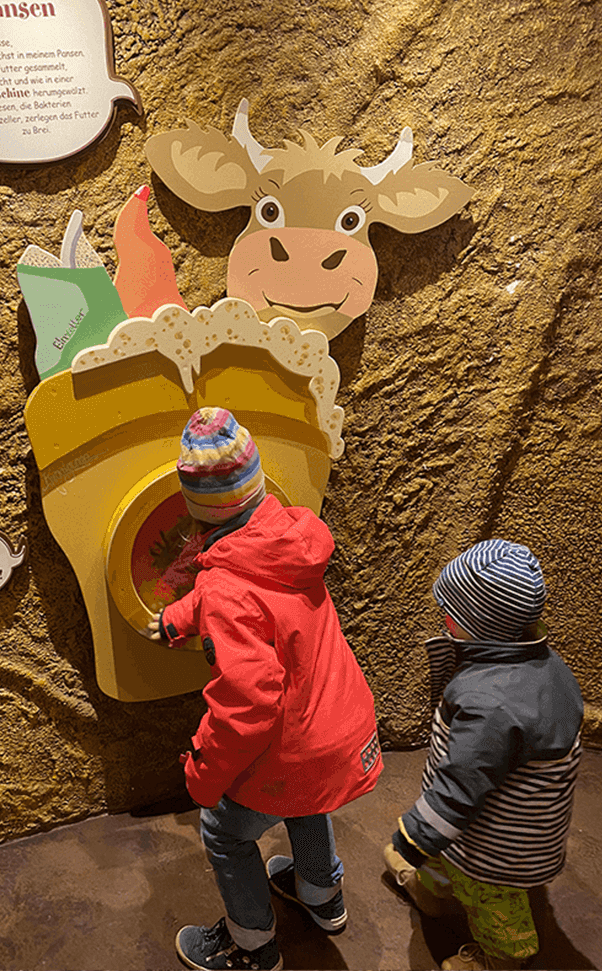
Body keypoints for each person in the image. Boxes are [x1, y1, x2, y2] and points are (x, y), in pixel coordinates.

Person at [141, 407, 382, 971]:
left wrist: (202, 770)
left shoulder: (227, 585)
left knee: (224, 830)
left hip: (291, 746)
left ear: (196, 510)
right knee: (307, 798)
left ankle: (250, 944)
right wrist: (181, 618)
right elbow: (240, 587)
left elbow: (248, 702)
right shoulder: (288, 539)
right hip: (341, 731)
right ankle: (322, 895)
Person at [382, 540, 585, 971]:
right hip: (495, 824)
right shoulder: (543, 663)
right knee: (445, 858)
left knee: (490, 899)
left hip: (496, 847)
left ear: (481, 622)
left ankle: (503, 957)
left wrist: (415, 835)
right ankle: (433, 892)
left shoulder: (493, 705)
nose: (443, 618)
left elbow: (461, 786)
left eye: (451, 613)